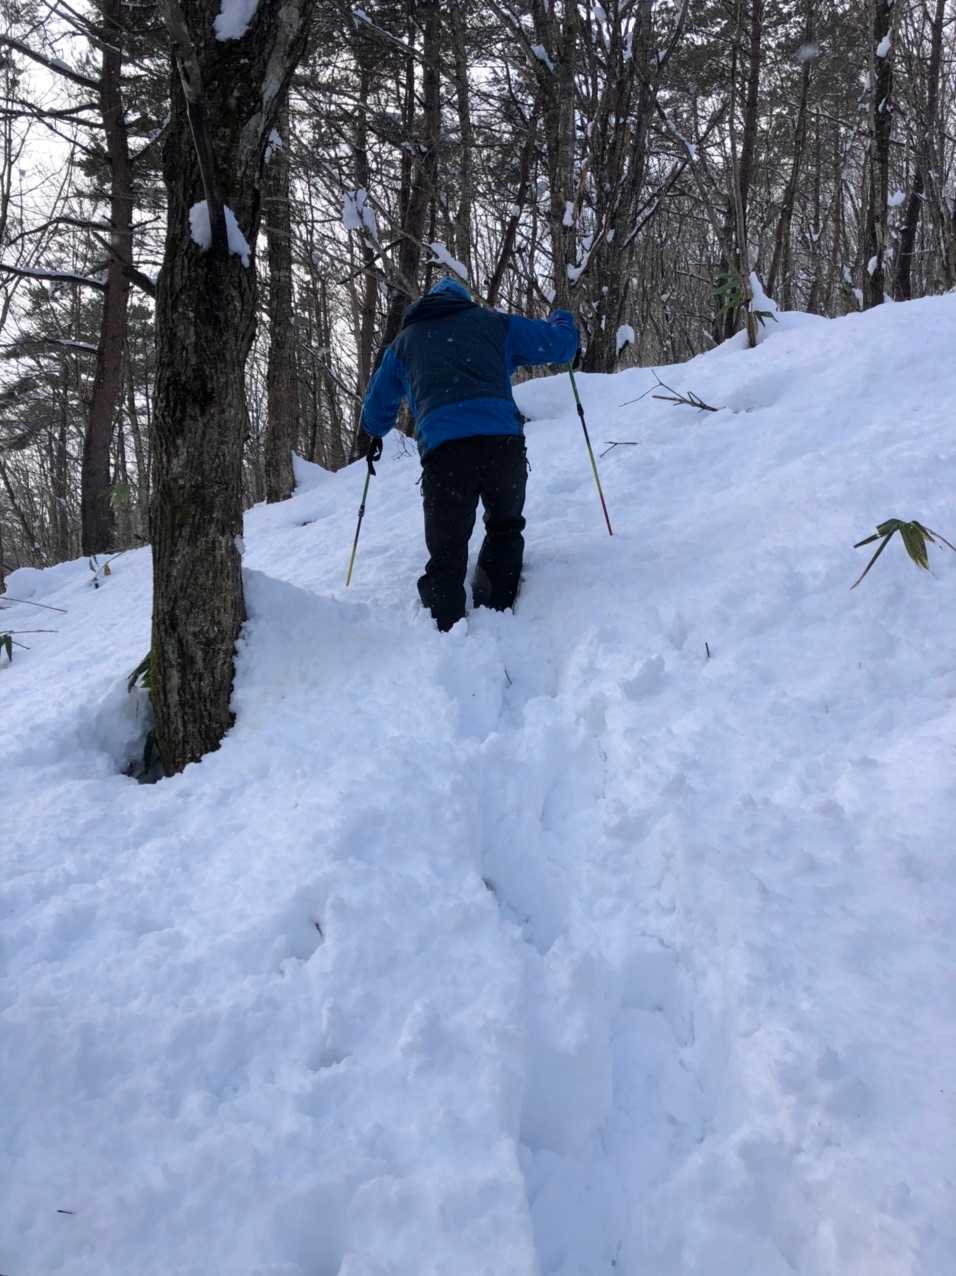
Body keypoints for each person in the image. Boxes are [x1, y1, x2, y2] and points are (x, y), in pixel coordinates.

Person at [360, 277, 579, 631]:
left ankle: (445, 625)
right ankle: (497, 608)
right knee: (505, 527)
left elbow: (375, 414)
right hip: (502, 446)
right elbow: (560, 347)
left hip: (445, 455)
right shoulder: (494, 325)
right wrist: (562, 320)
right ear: (465, 302)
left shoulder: (405, 343)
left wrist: (376, 429)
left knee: (446, 548)